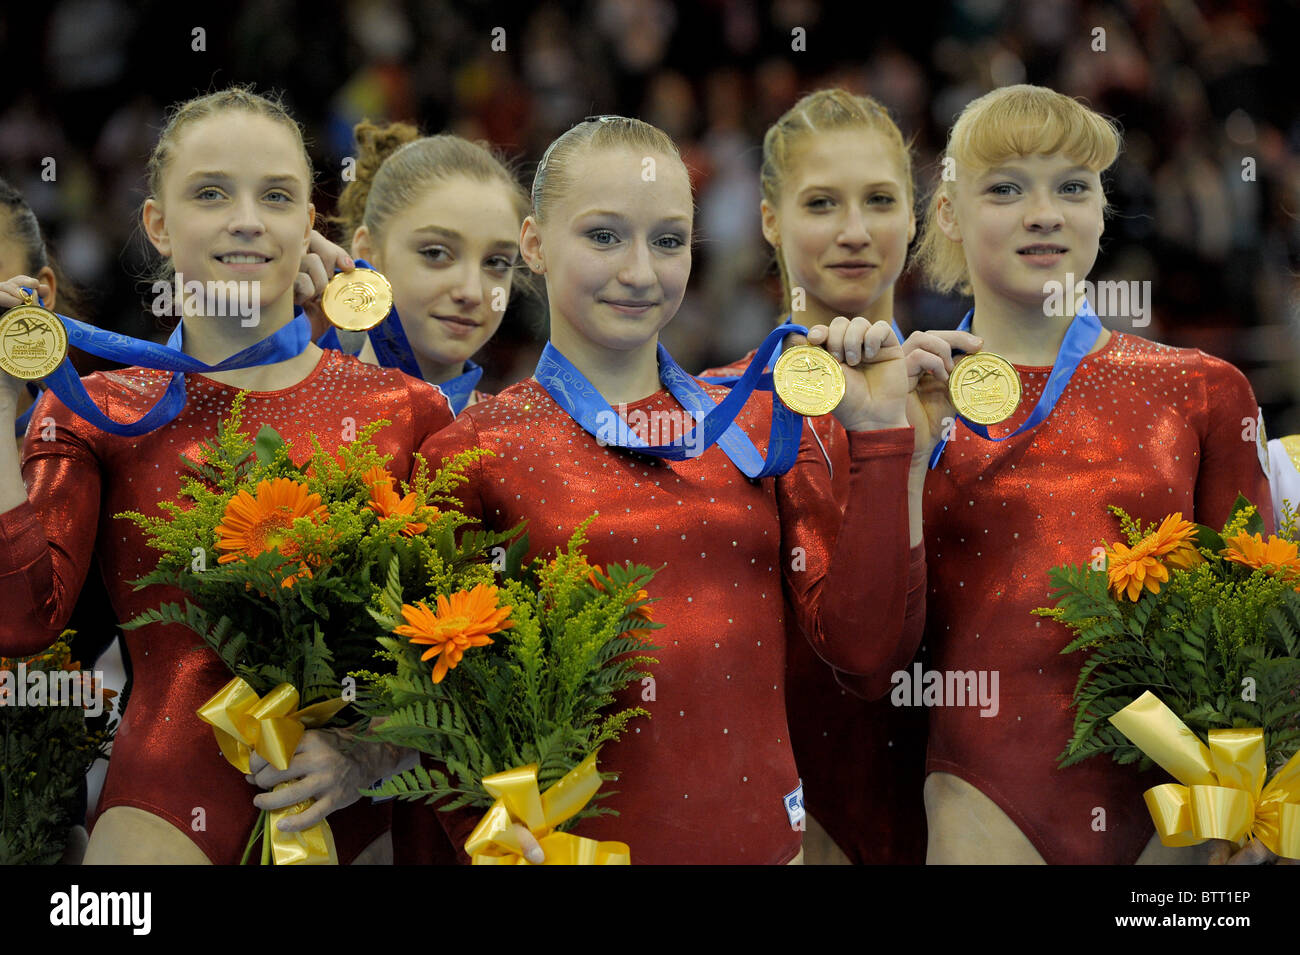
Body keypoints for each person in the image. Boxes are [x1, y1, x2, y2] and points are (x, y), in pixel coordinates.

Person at [420, 115, 925, 864]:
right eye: (602, 236)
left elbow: (866, 652)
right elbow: (432, 711)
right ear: (532, 243)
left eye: (666, 241)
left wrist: (882, 434)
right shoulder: (475, 450)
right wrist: (491, 843)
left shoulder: (756, 424)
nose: (639, 272)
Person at [0, 87, 456, 864]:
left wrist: (371, 752)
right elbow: (21, 619)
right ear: (158, 224)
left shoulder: (406, 407)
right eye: (211, 193)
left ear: (309, 223)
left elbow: (463, 641)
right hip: (159, 821)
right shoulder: (97, 408)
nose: (247, 218)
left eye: (276, 196)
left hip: (348, 816)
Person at [902, 84, 1272, 864]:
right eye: (1006, 189)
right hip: (982, 793)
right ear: (947, 214)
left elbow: (1257, 627)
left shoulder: (1202, 389)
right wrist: (897, 450)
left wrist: (1250, 793)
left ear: (1103, 211)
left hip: (1177, 803)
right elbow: (870, 645)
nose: (1045, 213)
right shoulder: (909, 398)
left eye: (1073, 187)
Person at [700, 88, 981, 864]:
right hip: (782, 829)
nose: (855, 232)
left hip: (978, 821)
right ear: (768, 219)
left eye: (880, 200)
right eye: (822, 202)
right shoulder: (715, 417)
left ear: (916, 217)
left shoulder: (973, 402)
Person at [319, 121, 530, 415]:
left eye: (496, 262)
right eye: (436, 253)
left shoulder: (515, 443)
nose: (471, 292)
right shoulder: (292, 406)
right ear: (368, 253)